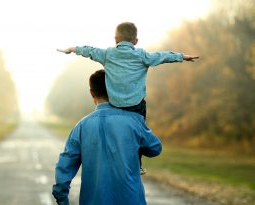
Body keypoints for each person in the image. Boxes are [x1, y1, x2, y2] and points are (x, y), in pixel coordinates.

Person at [57, 21, 199, 174]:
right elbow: (163, 56)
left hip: (114, 104)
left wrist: (72, 49)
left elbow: (89, 51)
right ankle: (136, 164)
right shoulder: (142, 56)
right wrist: (182, 56)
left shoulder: (108, 54)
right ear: (136, 41)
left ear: (116, 39)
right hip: (135, 106)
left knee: (113, 131)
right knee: (137, 132)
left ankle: (111, 156)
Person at [52, 69, 162, 205]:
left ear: (92, 93)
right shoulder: (133, 121)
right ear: (116, 89)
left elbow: (64, 169)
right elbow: (155, 148)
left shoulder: (81, 127)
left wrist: (62, 199)